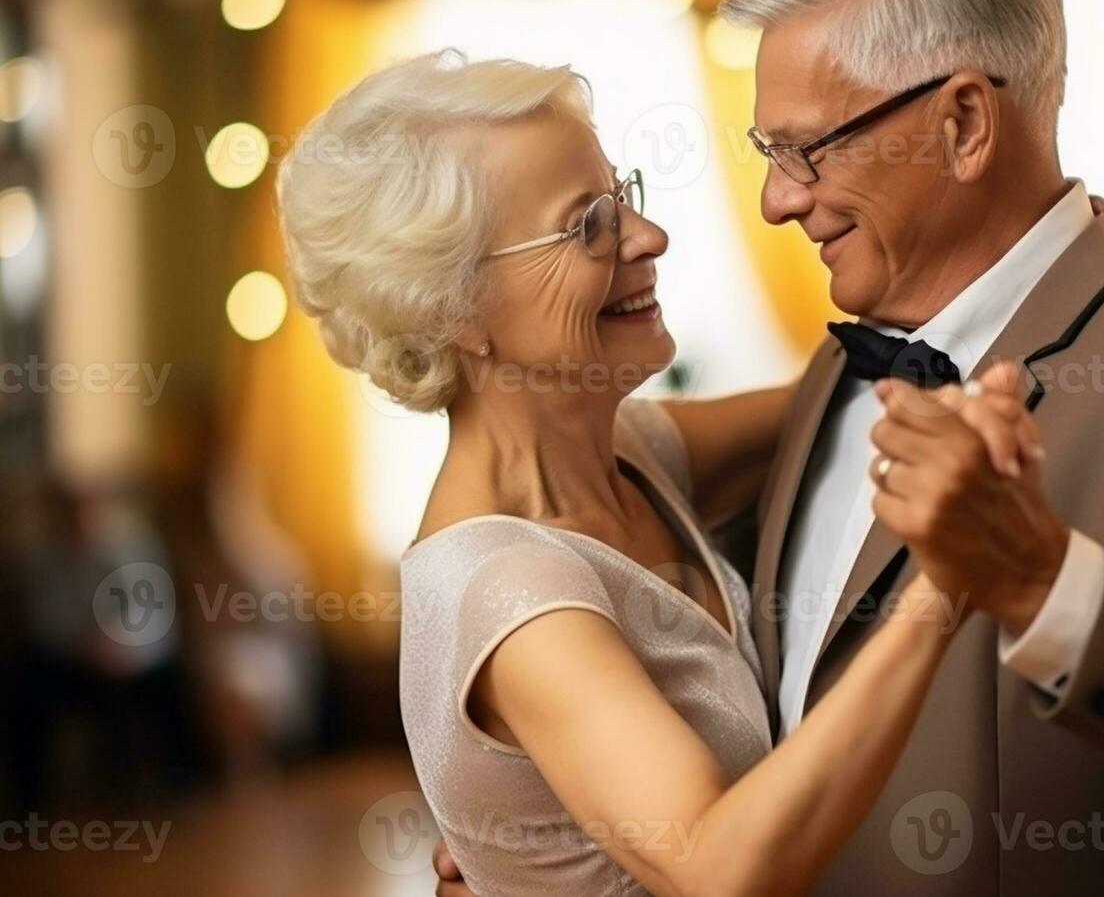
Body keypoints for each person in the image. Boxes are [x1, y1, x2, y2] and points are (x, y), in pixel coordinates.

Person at [432, 0, 1104, 893]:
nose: (774, 199)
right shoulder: (834, 372)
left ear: (965, 124)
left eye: (807, 150)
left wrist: (1044, 582)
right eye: (765, 148)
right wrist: (532, 845)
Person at [278, 50, 1056, 896]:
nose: (648, 238)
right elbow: (721, 868)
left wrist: (1039, 277)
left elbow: (850, 386)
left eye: (622, 198)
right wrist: (945, 581)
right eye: (586, 226)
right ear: (456, 310)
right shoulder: (509, 592)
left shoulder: (635, 452)